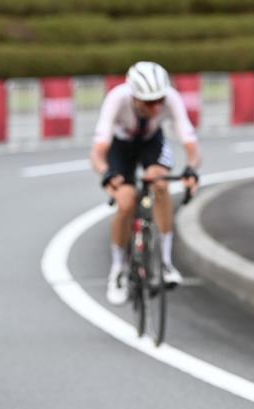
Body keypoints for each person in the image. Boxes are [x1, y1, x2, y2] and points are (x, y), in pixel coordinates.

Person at [90, 61, 201, 305]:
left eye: (160, 100)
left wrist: (192, 168)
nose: (157, 106)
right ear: (135, 96)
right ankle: (117, 269)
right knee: (126, 202)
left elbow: (190, 142)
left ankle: (165, 262)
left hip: (152, 142)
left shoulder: (171, 98)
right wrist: (106, 174)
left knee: (161, 185)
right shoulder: (117, 99)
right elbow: (97, 154)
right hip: (120, 149)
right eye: (149, 102)